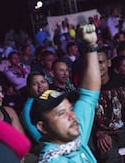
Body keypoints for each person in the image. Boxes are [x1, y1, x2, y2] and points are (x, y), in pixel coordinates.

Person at [30, 24, 101, 162]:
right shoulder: (55, 160)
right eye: (61, 113)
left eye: (70, 109)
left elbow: (88, 96)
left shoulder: (70, 137)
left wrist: (91, 46)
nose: (72, 116)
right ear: (43, 127)